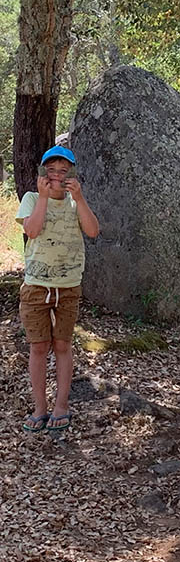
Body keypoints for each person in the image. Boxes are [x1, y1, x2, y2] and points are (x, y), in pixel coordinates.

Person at [16, 146, 100, 433]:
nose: (56, 176)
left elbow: (92, 231)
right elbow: (32, 230)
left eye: (63, 171)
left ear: (72, 175)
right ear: (42, 173)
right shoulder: (30, 199)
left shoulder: (76, 204)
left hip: (68, 287)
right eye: (51, 171)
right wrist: (42, 197)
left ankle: (61, 404)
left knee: (63, 345)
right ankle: (40, 407)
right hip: (36, 286)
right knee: (38, 347)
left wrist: (79, 197)